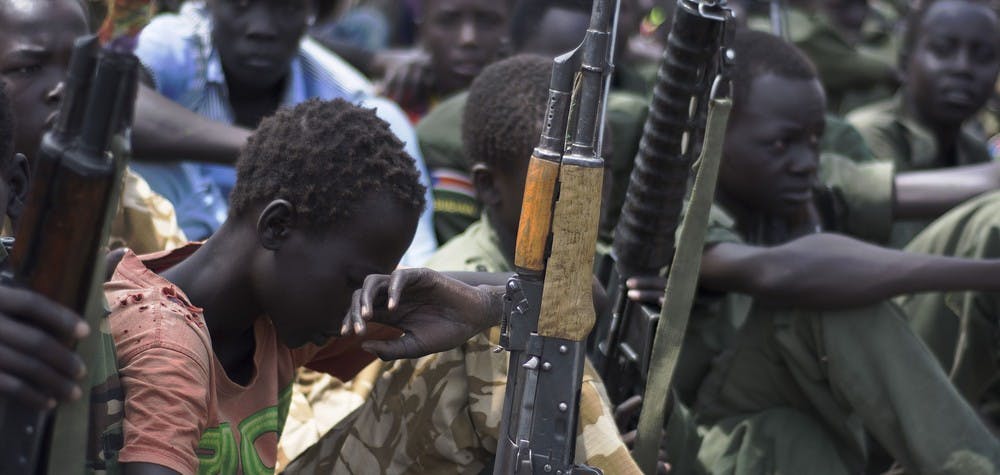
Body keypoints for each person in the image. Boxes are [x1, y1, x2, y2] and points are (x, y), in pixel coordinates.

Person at [619, 29, 1000, 473]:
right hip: (706, 444)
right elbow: (774, 273)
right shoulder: (671, 209)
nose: (805, 160)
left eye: (816, 140)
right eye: (781, 143)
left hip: (810, 412)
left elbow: (980, 184)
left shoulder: (785, 179)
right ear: (712, 132)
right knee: (829, 302)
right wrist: (985, 274)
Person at [282, 55, 642, 474]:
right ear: (488, 185)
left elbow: (578, 295)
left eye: (602, 173)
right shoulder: (460, 269)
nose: (588, 196)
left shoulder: (591, 257)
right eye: (562, 182)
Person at [101, 98, 438, 474]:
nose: (360, 305)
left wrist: (494, 303)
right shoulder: (167, 342)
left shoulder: (275, 316)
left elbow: (439, 297)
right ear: (277, 226)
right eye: (354, 282)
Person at [129, 0, 438, 268]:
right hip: (168, 263)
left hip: (283, 279)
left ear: (312, 13)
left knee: (385, 120)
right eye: (241, 4)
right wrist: (278, 148)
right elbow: (121, 108)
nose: (261, 27)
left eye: (288, 6)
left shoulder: (343, 91)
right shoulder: (176, 41)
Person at [418, 0, 649, 243]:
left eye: (585, 77)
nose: (570, 90)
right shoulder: (447, 131)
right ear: (511, 54)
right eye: (553, 72)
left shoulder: (624, 125)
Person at [0, 0, 187, 254]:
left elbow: (177, 275)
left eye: (83, 66)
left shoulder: (122, 198)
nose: (63, 88)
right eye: (28, 68)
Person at [848, 0, 1000, 247]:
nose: (963, 68)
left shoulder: (973, 150)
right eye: (942, 50)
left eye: (983, 57)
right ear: (905, 63)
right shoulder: (866, 135)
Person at [378, 0, 512, 123]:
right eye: (448, 21)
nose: (468, 38)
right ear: (422, 28)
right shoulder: (392, 109)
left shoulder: (526, 111)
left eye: (487, 21)